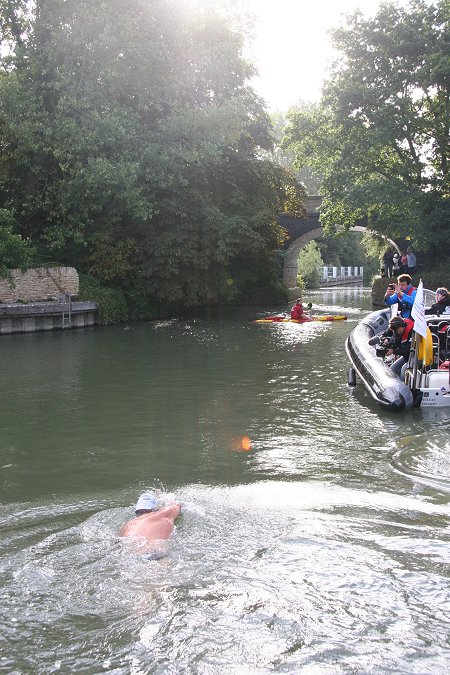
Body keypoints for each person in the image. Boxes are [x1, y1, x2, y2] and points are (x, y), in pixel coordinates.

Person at [120, 492, 182, 559]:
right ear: (155, 509)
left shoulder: (127, 525)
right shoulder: (162, 514)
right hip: (156, 553)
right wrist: (164, 497)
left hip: (133, 556)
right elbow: (177, 505)